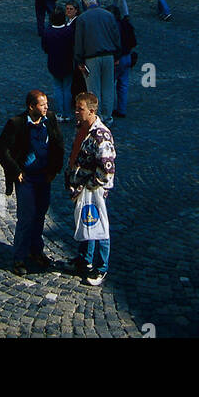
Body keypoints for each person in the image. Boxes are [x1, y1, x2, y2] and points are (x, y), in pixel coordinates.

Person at [0, 90, 64, 276]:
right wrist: (15, 171)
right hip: (26, 178)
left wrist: (54, 170)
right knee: (26, 217)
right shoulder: (16, 124)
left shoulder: (50, 119)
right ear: (31, 106)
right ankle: (19, 257)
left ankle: (36, 251)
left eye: (46, 104)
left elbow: (58, 144)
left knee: (40, 215)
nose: (46, 107)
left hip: (44, 177)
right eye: (42, 104)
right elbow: (1, 149)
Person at [65, 91, 116, 287]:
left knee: (99, 227)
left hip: (93, 190)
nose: (76, 112)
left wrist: (90, 186)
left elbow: (107, 169)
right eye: (76, 107)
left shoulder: (101, 136)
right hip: (82, 188)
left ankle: (101, 267)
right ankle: (84, 260)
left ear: (92, 111)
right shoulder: (82, 127)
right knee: (87, 223)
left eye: (80, 109)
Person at [73, 0, 121, 125]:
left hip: (91, 58)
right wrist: (117, 55)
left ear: (85, 4)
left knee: (93, 89)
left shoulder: (82, 18)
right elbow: (116, 36)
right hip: (108, 56)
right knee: (108, 87)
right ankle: (108, 116)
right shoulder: (108, 15)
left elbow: (79, 41)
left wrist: (79, 60)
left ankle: (97, 117)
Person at [43, 4, 76, 120]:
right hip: (67, 62)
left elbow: (45, 48)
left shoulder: (48, 32)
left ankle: (60, 112)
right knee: (67, 88)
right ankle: (67, 113)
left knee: (57, 88)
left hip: (54, 63)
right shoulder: (69, 31)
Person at [111, 5, 137, 118]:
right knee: (123, 84)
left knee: (110, 84)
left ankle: (109, 108)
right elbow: (133, 42)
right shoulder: (127, 25)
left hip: (116, 58)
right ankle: (122, 109)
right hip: (127, 56)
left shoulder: (113, 27)